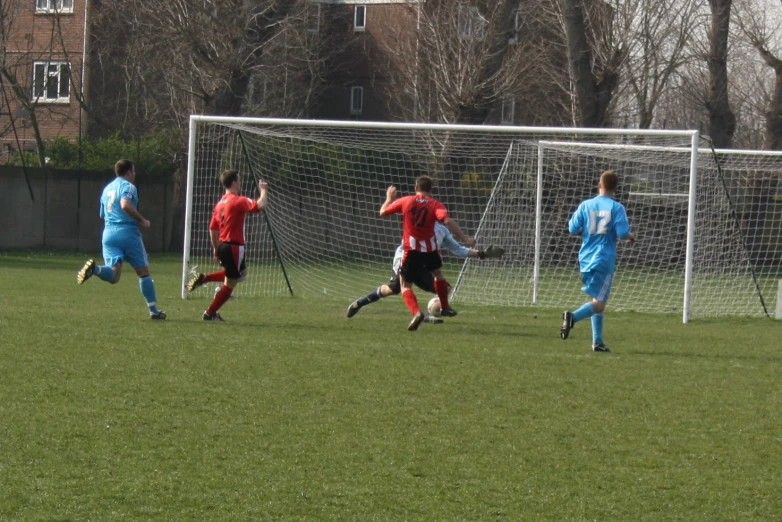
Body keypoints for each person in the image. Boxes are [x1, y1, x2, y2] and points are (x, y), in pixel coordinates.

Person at [346, 221, 504, 321]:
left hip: (422, 264)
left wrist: (481, 254)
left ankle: (430, 312)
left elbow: (458, 250)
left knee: (443, 288)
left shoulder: (443, 230)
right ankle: (362, 302)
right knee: (397, 288)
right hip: (404, 258)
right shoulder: (419, 222)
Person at [379, 175, 476, 331]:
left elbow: (383, 212)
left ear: (416, 188)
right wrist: (465, 238)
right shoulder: (435, 204)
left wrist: (389, 199)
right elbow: (447, 221)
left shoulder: (406, 201)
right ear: (431, 190)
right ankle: (445, 307)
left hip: (411, 250)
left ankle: (417, 313)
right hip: (430, 249)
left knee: (405, 285)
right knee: (438, 275)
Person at [77, 159, 166, 320]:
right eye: (134, 171)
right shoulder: (128, 186)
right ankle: (154, 311)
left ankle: (94, 269)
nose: (134, 174)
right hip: (128, 232)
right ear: (129, 172)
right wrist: (142, 220)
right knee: (143, 273)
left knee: (114, 276)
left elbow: (102, 214)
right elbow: (125, 205)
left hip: (108, 233)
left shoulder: (107, 189)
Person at [560, 170, 635, 352]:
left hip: (585, 258)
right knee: (600, 302)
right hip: (603, 258)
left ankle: (597, 342)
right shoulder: (617, 208)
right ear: (616, 188)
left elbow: (572, 228)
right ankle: (573, 317)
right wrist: (630, 236)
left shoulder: (586, 205)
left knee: (597, 300)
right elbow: (622, 233)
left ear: (599, 185)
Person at [186, 169, 268, 321]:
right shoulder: (238, 200)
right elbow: (261, 205)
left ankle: (206, 279)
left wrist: (216, 248)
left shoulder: (219, 204)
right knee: (231, 283)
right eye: (239, 179)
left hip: (224, 245)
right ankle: (209, 313)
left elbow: (213, 228)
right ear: (235, 182)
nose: (240, 182)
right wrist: (263, 190)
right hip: (234, 246)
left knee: (241, 275)